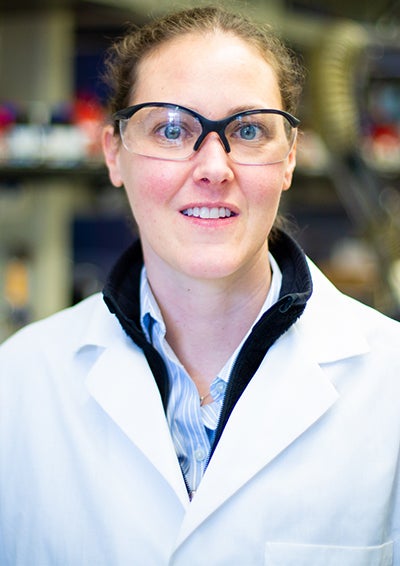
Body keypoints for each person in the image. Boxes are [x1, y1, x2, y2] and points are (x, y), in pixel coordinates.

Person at [1, 6, 400, 565]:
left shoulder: (390, 385)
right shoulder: (17, 386)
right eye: (170, 128)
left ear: (289, 157)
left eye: (249, 130)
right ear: (114, 152)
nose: (214, 166)